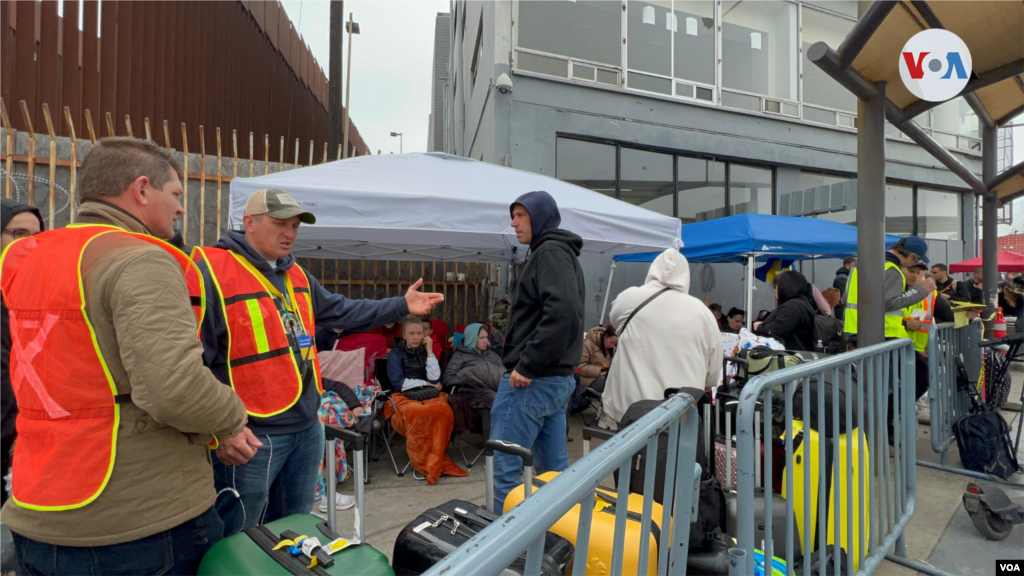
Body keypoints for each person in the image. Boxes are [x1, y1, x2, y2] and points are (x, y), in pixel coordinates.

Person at [1, 138, 251, 576]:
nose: (180, 209)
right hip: (133, 518)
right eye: (175, 194)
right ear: (141, 190)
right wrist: (231, 419)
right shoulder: (139, 259)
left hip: (37, 500)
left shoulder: (32, 258)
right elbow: (175, 388)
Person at [195, 188, 443, 536]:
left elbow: (344, 310)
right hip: (252, 435)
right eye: (280, 223)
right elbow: (193, 366)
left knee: (291, 531)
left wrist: (401, 306)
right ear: (248, 223)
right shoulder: (212, 271)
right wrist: (221, 428)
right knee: (238, 537)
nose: (290, 233)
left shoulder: (295, 273)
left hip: (306, 428)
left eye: (295, 225)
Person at [491, 191, 584, 512]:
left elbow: (563, 313)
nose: (513, 222)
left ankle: (499, 552)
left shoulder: (550, 253)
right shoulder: (556, 252)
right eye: (513, 215)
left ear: (540, 217)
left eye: (520, 215)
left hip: (532, 381)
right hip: (553, 381)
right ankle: (553, 540)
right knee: (553, 473)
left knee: (504, 471)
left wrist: (527, 365)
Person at [602, 248, 719, 428]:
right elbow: (712, 375)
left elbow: (614, 320)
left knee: (630, 455)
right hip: (681, 413)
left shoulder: (631, 297)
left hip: (631, 410)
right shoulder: (703, 312)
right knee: (676, 455)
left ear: (653, 270)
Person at [384, 316, 467, 483]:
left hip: (428, 394)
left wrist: (429, 351)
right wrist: (426, 383)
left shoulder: (425, 352)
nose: (416, 337)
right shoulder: (396, 353)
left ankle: (435, 458)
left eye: (419, 333)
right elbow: (398, 383)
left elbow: (436, 378)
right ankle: (421, 464)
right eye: (412, 333)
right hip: (404, 395)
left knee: (444, 410)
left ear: (425, 335)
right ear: (404, 335)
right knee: (418, 414)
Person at [0, 199, 43, 510]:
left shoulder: (32, 289)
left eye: (36, 236)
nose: (29, 244)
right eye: (18, 233)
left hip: (18, 428)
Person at [842, 236, 935, 344]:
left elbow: (845, 299)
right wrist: (921, 290)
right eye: (917, 260)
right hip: (883, 333)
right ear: (911, 256)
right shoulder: (892, 270)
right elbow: (888, 303)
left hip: (854, 329)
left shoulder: (858, 267)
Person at [443, 323, 504, 438]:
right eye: (481, 338)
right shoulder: (460, 355)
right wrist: (471, 375)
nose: (485, 341)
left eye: (486, 337)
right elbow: (447, 379)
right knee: (492, 400)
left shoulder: (493, 355)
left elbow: (503, 374)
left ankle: (513, 443)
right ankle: (492, 449)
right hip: (470, 391)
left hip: (494, 388)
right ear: (471, 338)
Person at [753, 271, 816, 351]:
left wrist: (760, 326)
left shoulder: (792, 306)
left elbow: (779, 329)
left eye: (776, 287)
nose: (775, 291)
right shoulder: (801, 302)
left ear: (785, 287)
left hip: (793, 355)